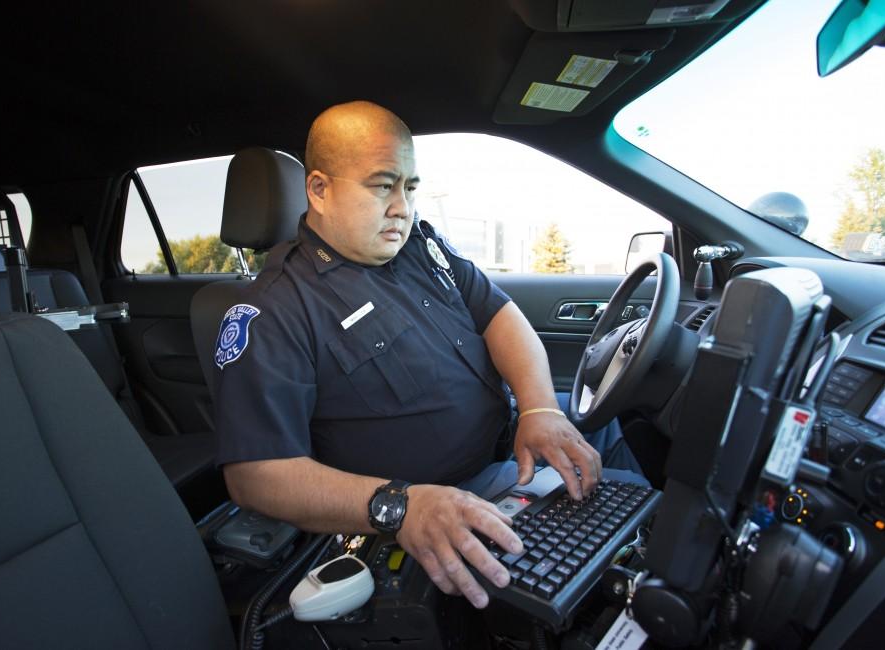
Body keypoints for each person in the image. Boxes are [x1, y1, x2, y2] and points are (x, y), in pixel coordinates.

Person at [214, 101, 642, 609]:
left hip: (516, 442)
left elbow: (501, 315)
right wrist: (399, 505)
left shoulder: (420, 245)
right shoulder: (274, 310)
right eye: (381, 185)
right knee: (609, 557)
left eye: (410, 187)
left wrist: (540, 408)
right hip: (446, 497)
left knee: (603, 427)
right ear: (319, 190)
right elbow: (256, 476)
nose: (402, 206)